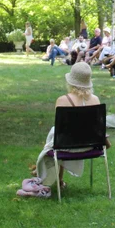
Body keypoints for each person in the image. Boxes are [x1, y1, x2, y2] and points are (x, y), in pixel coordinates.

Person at [32, 62, 103, 190]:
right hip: (90, 146)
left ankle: (48, 174)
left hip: (67, 146)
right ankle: (56, 178)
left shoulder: (63, 100)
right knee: (61, 136)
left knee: (56, 135)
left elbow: (61, 128)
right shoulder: (96, 100)